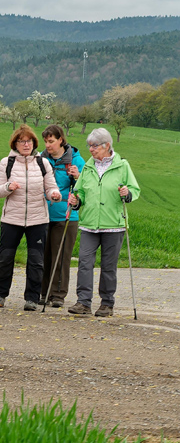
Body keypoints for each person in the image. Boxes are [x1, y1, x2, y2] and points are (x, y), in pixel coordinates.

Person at [67, 128, 140, 317]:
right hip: (89, 222)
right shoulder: (89, 166)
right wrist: (77, 200)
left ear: (107, 145)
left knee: (109, 266)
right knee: (84, 262)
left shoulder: (122, 165)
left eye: (95, 146)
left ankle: (107, 304)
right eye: (89, 146)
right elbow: (81, 190)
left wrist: (127, 193)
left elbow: (134, 188)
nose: (91, 149)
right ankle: (83, 302)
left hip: (114, 224)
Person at [0, 124, 62, 311]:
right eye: (22, 141)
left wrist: (55, 194)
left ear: (34, 143)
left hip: (38, 220)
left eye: (29, 141)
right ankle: (0, 295)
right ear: (15, 144)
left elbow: (51, 187)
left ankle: (31, 298)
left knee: (36, 261)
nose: (26, 145)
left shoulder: (42, 163)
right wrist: (8, 187)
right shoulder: (6, 163)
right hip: (11, 220)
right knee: (5, 258)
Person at [39, 124, 84, 308]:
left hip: (66, 216)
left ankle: (58, 294)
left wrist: (77, 176)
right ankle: (43, 292)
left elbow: (84, 188)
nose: (48, 145)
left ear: (61, 140)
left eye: (51, 141)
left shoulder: (76, 161)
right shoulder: (40, 159)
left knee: (61, 257)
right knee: (43, 257)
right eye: (45, 142)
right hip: (42, 214)